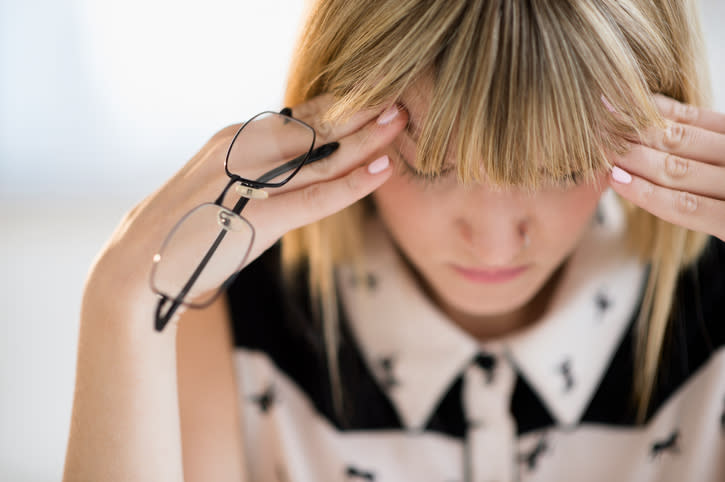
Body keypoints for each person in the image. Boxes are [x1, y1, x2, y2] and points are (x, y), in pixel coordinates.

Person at [63, 0, 725, 480]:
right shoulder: (229, 321)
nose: (493, 244)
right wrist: (119, 306)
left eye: (561, 168)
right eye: (429, 166)